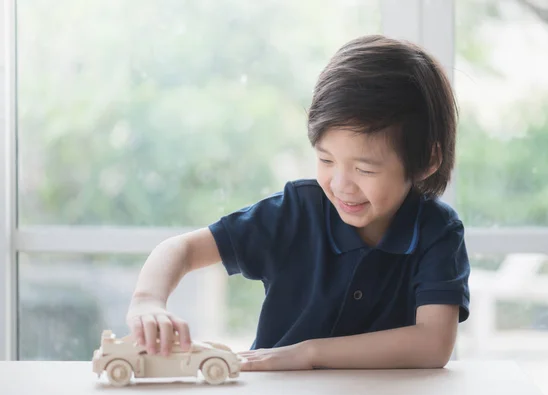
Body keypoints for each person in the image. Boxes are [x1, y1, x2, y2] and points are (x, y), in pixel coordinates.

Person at [126, 34, 471, 371]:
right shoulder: (296, 211)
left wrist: (308, 353)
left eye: (364, 169)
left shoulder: (438, 231)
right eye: (326, 160)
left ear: (426, 160)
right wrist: (146, 302)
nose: (340, 185)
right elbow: (181, 249)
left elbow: (433, 344)